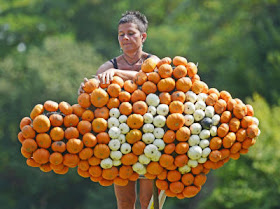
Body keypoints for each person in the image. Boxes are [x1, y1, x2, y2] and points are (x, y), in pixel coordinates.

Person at [79, 11, 160, 209]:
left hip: (152, 138)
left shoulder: (154, 62)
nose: (125, 38)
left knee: (148, 203)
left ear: (143, 37)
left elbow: (151, 77)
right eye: (121, 34)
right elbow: (95, 98)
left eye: (131, 33)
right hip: (119, 139)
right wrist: (85, 91)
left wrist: (117, 74)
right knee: (125, 202)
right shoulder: (108, 66)